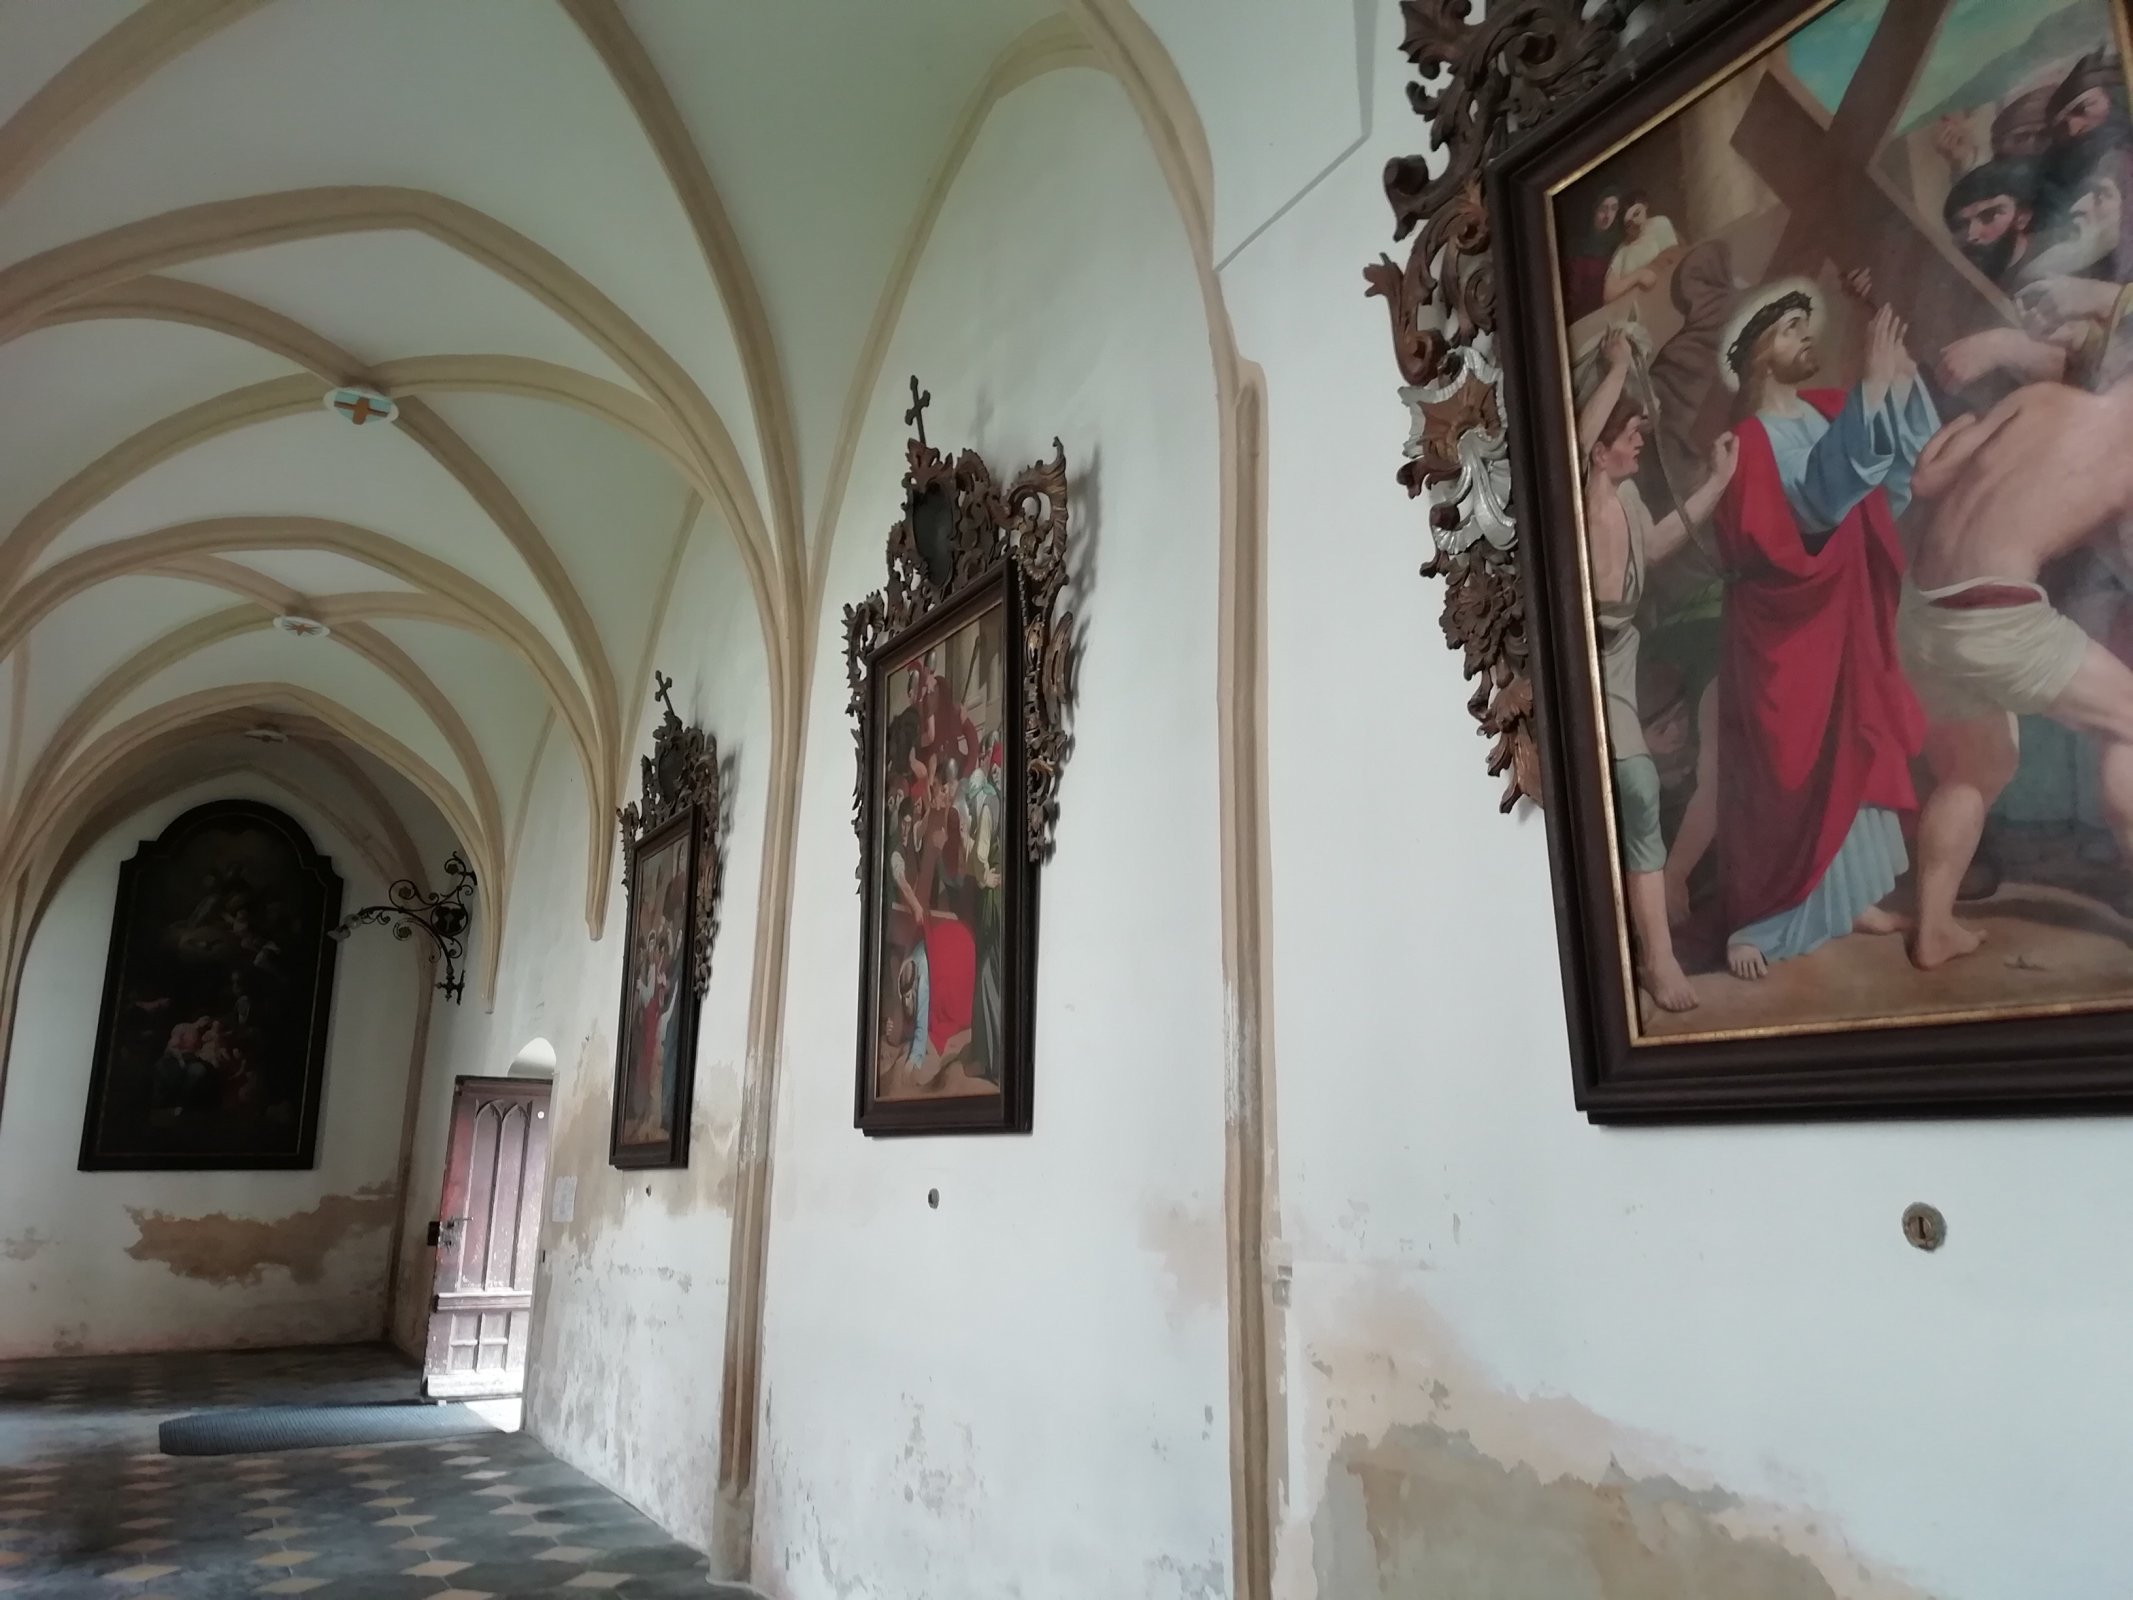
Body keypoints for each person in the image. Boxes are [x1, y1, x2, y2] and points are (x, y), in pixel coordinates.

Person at [1709, 282, 1938, 979]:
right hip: (1787, 636)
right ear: (1756, 355)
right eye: (1788, 328)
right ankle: (1763, 919)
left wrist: (1891, 377)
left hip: (1844, 617)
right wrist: (1871, 389)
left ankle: (1848, 899)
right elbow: (1812, 510)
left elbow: (1900, 470)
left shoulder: (1827, 410)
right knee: (1790, 770)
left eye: (1806, 325)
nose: (1806, 336)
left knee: (1852, 746)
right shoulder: (1747, 442)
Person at [1899, 374, 2133, 966]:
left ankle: (1933, 929)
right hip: (1995, 617)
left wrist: (1950, 436)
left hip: (1921, 614)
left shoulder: (2041, 398)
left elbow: (1928, 479)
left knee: (1978, 767)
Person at [1579, 329, 1741, 1010]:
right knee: (1636, 788)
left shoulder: (1626, 500)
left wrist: (1718, 483)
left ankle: (1657, 957)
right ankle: (1652, 957)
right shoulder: (1580, 499)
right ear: (1599, 448)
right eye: (1628, 434)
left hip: (1621, 652)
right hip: (1587, 656)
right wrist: (1617, 365)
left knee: (1643, 791)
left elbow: (1658, 545)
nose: (1638, 441)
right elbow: (1574, 439)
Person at [1943, 159, 2040, 289]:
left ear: (2022, 218)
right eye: (1963, 223)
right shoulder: (1958, 279)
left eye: (1988, 216)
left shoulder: (2045, 271)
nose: (1971, 236)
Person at [1603, 193, 1681, 307]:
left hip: (1663, 297)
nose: (1635, 223)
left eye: (1637, 214)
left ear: (1645, 205)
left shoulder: (1659, 223)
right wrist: (1638, 276)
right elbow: (1609, 293)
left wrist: (1651, 270)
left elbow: (1673, 256)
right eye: (1629, 224)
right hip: (1632, 306)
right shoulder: (1623, 249)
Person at [1563, 189, 1621, 322]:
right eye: (1603, 209)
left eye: (1613, 209)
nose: (1608, 216)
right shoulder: (1576, 249)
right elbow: (1573, 297)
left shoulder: (1617, 243)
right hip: (1585, 318)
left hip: (1614, 312)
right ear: (1593, 210)